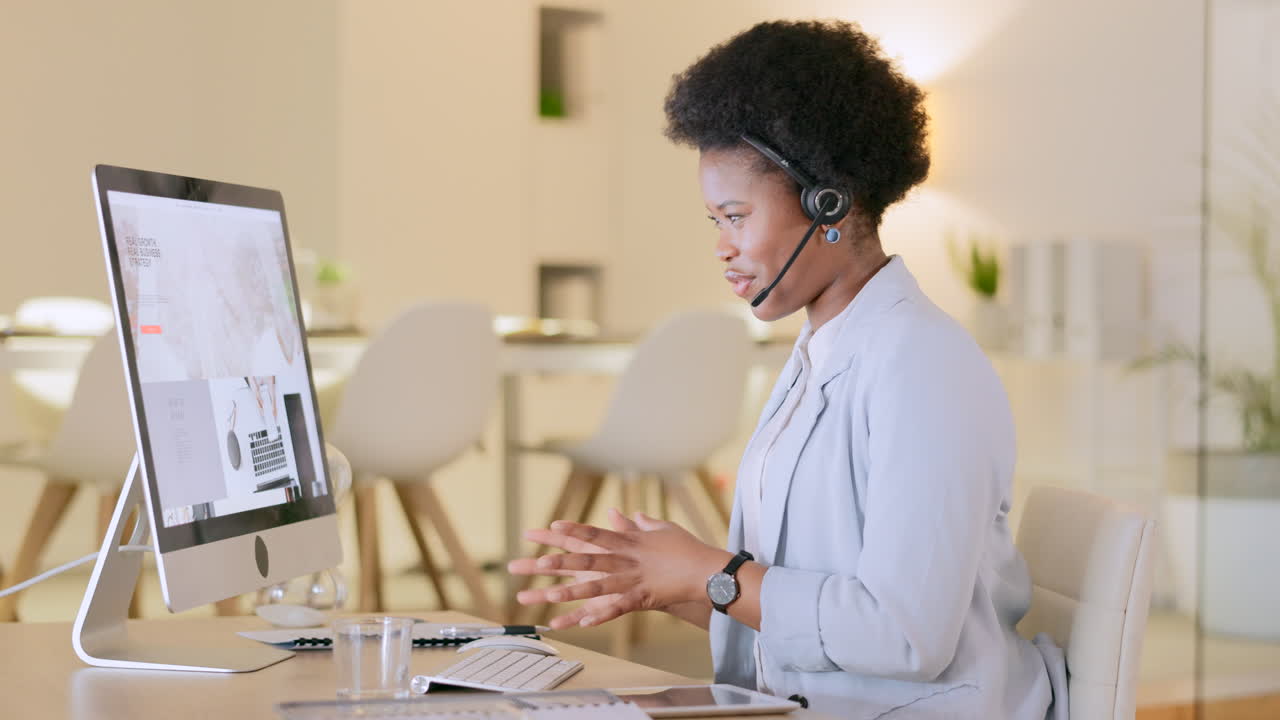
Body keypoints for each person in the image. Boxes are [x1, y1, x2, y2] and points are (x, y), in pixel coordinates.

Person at [509, 20, 1066, 719]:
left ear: (826, 201)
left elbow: (902, 635)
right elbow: (800, 614)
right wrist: (661, 579)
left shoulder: (923, 366)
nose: (722, 246)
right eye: (714, 220)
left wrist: (708, 571)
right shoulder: (818, 356)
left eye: (736, 215)